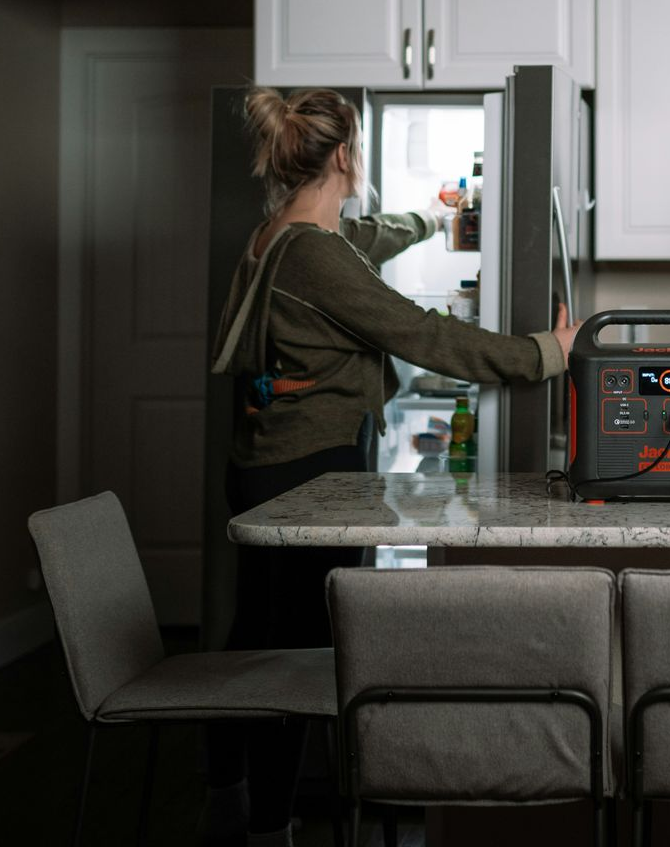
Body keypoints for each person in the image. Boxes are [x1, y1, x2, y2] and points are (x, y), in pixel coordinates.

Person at [205, 87, 577, 846]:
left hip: (263, 461)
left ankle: (226, 792)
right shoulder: (315, 256)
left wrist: (437, 218)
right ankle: (270, 826)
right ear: (346, 155)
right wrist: (546, 352)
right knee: (294, 656)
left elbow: (369, 235)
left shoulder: (279, 235)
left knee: (254, 635)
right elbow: (423, 334)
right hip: (309, 474)